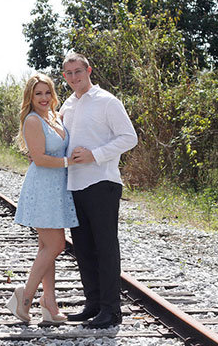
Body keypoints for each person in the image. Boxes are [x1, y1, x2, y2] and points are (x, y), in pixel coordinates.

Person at [60, 53, 137, 329]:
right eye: (68, 73)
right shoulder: (67, 105)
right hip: (74, 184)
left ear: (88, 70)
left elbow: (129, 137)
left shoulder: (107, 101)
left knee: (105, 248)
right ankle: (92, 304)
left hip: (102, 182)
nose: (73, 77)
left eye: (78, 71)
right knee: (82, 248)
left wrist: (97, 154)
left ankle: (111, 310)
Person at [6, 74, 79, 324]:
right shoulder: (33, 121)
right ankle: (24, 297)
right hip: (42, 187)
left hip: (57, 187)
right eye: (38, 94)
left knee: (47, 247)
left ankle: (49, 304)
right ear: (31, 97)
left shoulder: (55, 116)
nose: (44, 98)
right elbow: (39, 158)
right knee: (56, 245)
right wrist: (71, 162)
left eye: (47, 92)